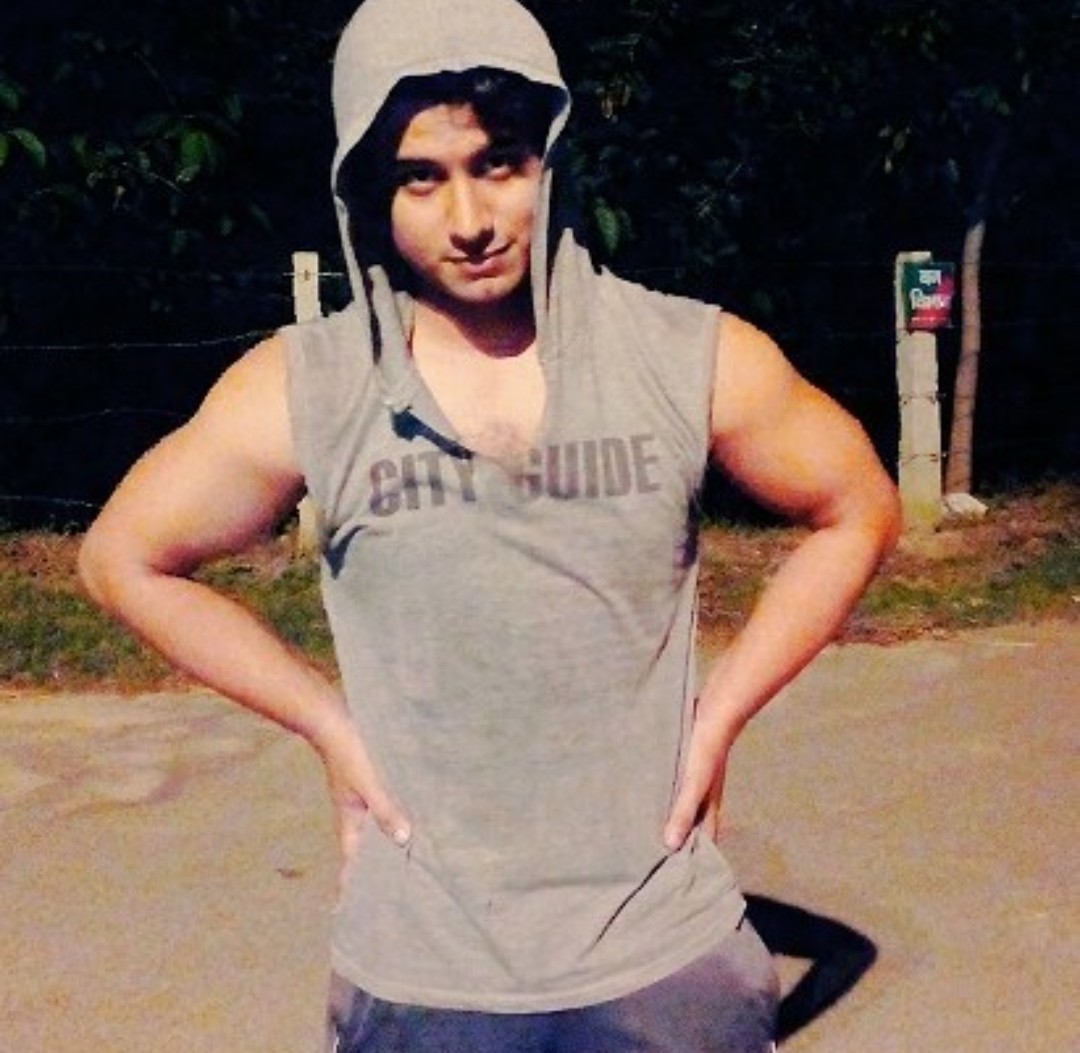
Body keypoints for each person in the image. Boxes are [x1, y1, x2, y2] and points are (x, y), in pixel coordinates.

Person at [79, 0, 901, 1049]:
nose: (469, 218)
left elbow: (858, 506)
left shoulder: (684, 354)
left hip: (665, 960)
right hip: (422, 978)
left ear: (547, 157)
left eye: (498, 164)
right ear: (367, 191)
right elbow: (123, 560)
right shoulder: (308, 387)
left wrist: (720, 714)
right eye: (421, 178)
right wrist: (326, 723)